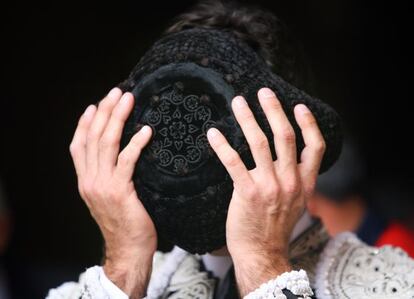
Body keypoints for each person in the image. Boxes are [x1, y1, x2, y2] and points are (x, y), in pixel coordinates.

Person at [47, 1, 414, 298]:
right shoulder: (99, 290)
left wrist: (263, 264)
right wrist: (124, 267)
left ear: (293, 141)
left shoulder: (393, 285)